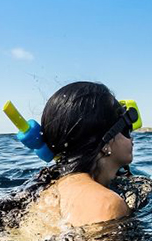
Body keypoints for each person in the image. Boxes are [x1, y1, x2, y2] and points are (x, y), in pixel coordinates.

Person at [24, 82, 135, 228]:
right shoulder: (107, 204)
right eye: (126, 128)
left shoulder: (45, 194)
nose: (132, 138)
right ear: (106, 142)